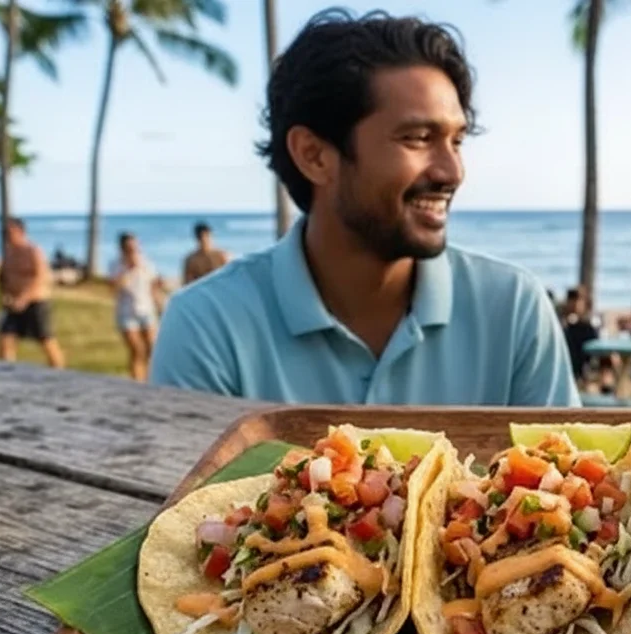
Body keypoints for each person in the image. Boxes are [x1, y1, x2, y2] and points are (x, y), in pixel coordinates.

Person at [150, 10, 578, 407]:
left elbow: (571, 481)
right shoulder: (209, 326)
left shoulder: (513, 309)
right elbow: (191, 488)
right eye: (417, 138)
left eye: (456, 141)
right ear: (314, 155)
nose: (452, 171)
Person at [0, 218, 66, 368]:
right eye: (5, 233)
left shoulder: (33, 251)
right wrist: (6, 295)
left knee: (45, 339)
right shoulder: (9, 253)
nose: (7, 236)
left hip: (36, 302)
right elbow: (3, 277)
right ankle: (7, 371)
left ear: (21, 232)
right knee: (5, 338)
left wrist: (24, 298)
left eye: (10, 232)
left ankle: (59, 371)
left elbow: (40, 277)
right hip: (14, 303)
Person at [109, 232, 165, 382]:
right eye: (129, 247)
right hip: (127, 312)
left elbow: (153, 287)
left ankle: (149, 379)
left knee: (152, 349)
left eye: (135, 246)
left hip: (146, 310)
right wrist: (128, 269)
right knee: (136, 350)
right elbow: (115, 288)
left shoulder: (146, 263)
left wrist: (160, 305)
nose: (133, 250)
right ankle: (137, 381)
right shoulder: (116, 265)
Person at [181, 222, 231, 286]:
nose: (205, 240)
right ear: (197, 238)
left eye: (207, 236)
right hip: (201, 293)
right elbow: (187, 284)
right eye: (202, 237)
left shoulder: (222, 256)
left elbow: (229, 279)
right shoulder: (191, 260)